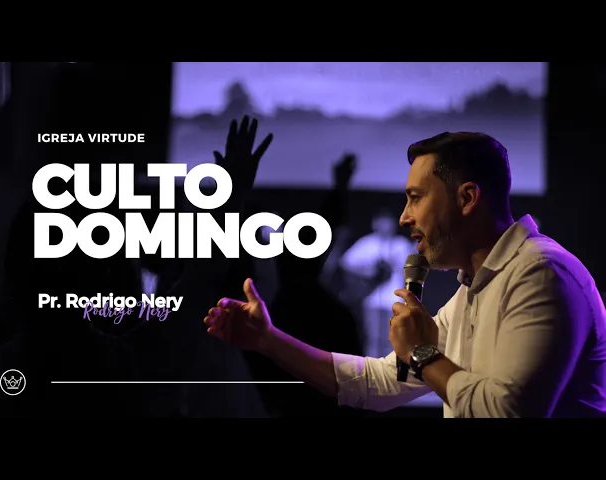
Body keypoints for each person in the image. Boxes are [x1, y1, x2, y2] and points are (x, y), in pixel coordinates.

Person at [204, 130, 606, 418]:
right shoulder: (477, 288)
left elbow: (507, 411)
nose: (404, 217)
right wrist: (268, 339)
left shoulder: (540, 274)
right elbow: (377, 383)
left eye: (415, 198)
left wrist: (423, 353)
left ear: (467, 198)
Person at [339, 207, 414, 358]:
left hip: (393, 298)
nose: (385, 226)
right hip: (371, 298)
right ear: (375, 223)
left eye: (388, 222)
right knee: (372, 338)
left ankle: (387, 368)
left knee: (391, 338)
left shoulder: (401, 245)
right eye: (382, 222)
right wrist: (366, 271)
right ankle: (371, 366)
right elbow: (345, 261)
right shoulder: (367, 243)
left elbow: (410, 269)